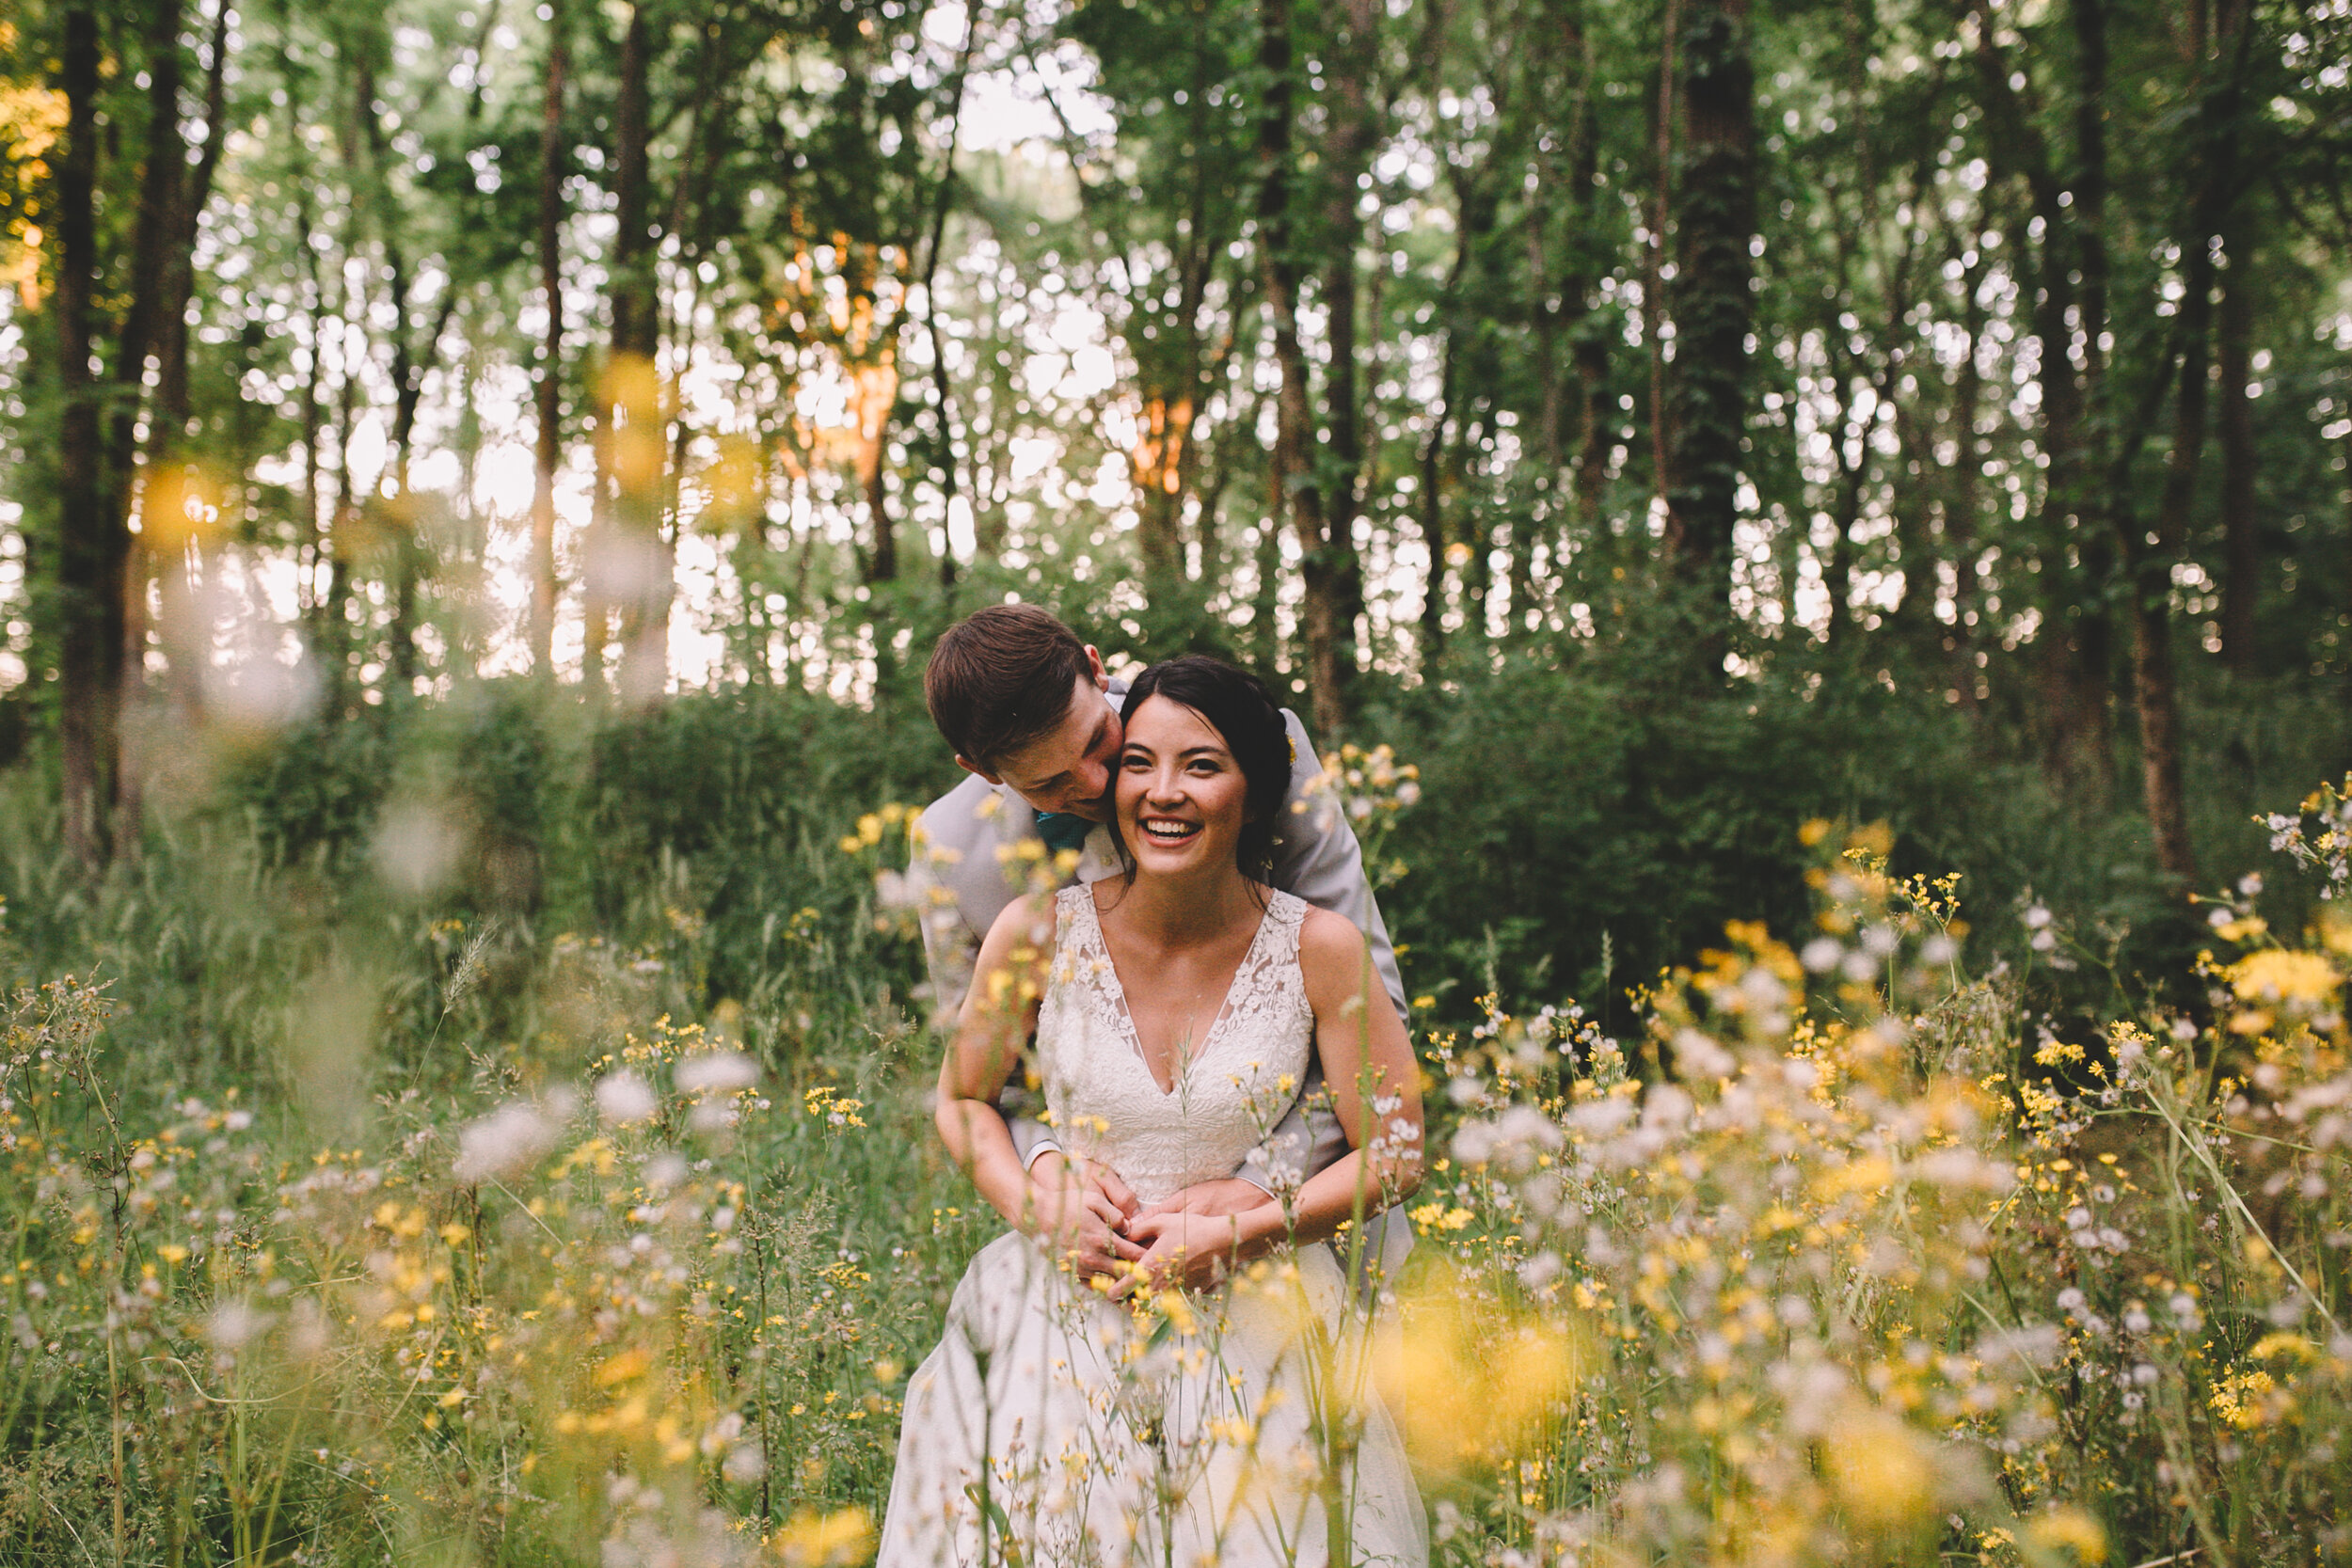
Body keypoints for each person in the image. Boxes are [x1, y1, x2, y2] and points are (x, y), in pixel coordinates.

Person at [877, 656, 1428, 1567]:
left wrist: (1252, 1212)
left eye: (1111, 749)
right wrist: (1041, 1186)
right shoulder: (1003, 898)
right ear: (989, 775)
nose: (1111, 786)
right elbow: (980, 1087)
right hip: (1072, 1285)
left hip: (1264, 1274)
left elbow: (1389, 1116)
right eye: (1117, 768)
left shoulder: (1306, 920)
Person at [907, 605, 1408, 1251]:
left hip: (1304, 1217)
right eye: (1052, 782)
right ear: (982, 771)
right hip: (1099, 1247)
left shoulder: (1244, 738)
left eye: (1096, 743)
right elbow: (986, 1080)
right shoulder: (948, 853)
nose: (1096, 783)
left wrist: (1261, 1186)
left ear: (1095, 668)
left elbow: (1373, 1013)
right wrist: (1047, 1171)